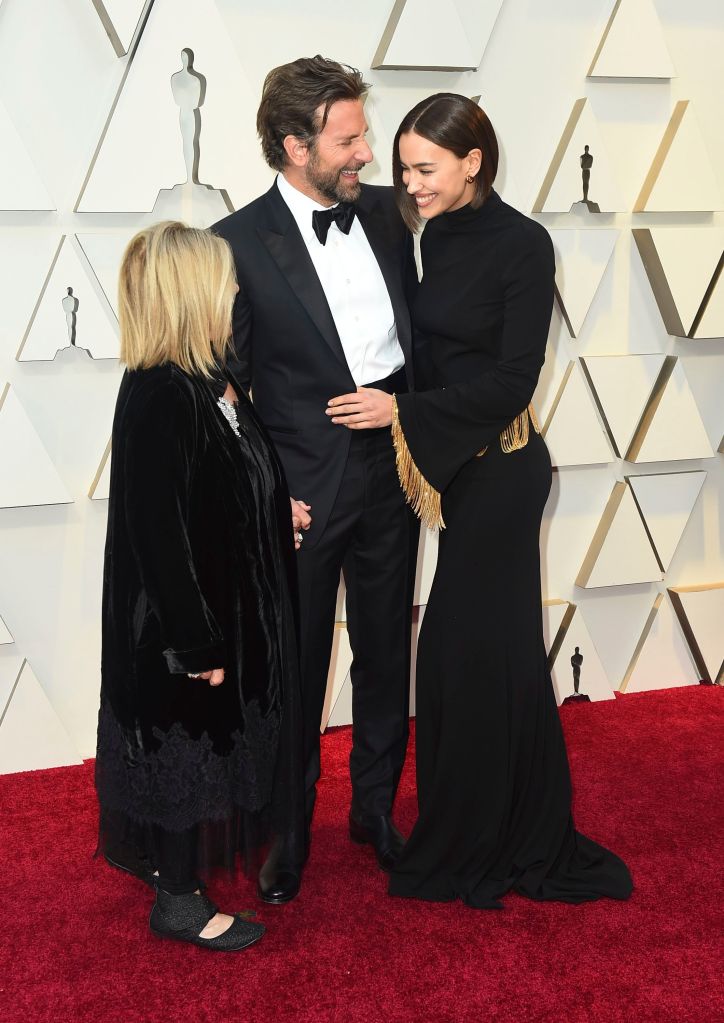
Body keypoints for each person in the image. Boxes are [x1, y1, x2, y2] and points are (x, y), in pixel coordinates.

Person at [377, 94, 632, 908]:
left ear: (472, 161)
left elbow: (513, 379)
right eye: (404, 167)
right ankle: (477, 821)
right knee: (466, 658)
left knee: (478, 657)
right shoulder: (433, 232)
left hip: (504, 473)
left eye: (425, 168)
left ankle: (495, 837)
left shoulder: (525, 244)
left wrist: (402, 414)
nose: (410, 183)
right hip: (458, 470)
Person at [213, 56, 418, 900]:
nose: (368, 152)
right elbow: (228, 388)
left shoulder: (384, 219)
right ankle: (286, 830)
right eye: (349, 138)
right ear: (295, 146)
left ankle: (373, 809)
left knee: (383, 655)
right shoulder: (235, 243)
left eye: (363, 133)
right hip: (298, 493)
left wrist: (407, 417)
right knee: (294, 666)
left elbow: (415, 345)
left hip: (392, 476)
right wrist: (267, 490)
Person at [94, 221, 305, 949]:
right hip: (180, 624)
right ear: (190, 292)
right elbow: (158, 530)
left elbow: (222, 477)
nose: (237, 288)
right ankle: (178, 900)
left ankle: (180, 885)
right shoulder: (160, 393)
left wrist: (276, 505)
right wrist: (194, 641)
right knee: (182, 750)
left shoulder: (208, 376)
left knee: (203, 749)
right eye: (225, 278)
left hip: (221, 610)